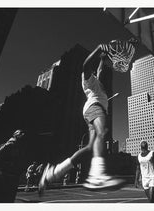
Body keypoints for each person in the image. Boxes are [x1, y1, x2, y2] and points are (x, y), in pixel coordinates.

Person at [38, 42, 130, 194]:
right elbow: (85, 65)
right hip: (94, 108)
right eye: (96, 72)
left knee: (89, 148)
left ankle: (53, 173)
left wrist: (103, 58)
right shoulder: (88, 80)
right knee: (102, 133)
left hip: (94, 110)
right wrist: (99, 48)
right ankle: (97, 176)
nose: (99, 73)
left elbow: (100, 70)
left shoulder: (98, 83)